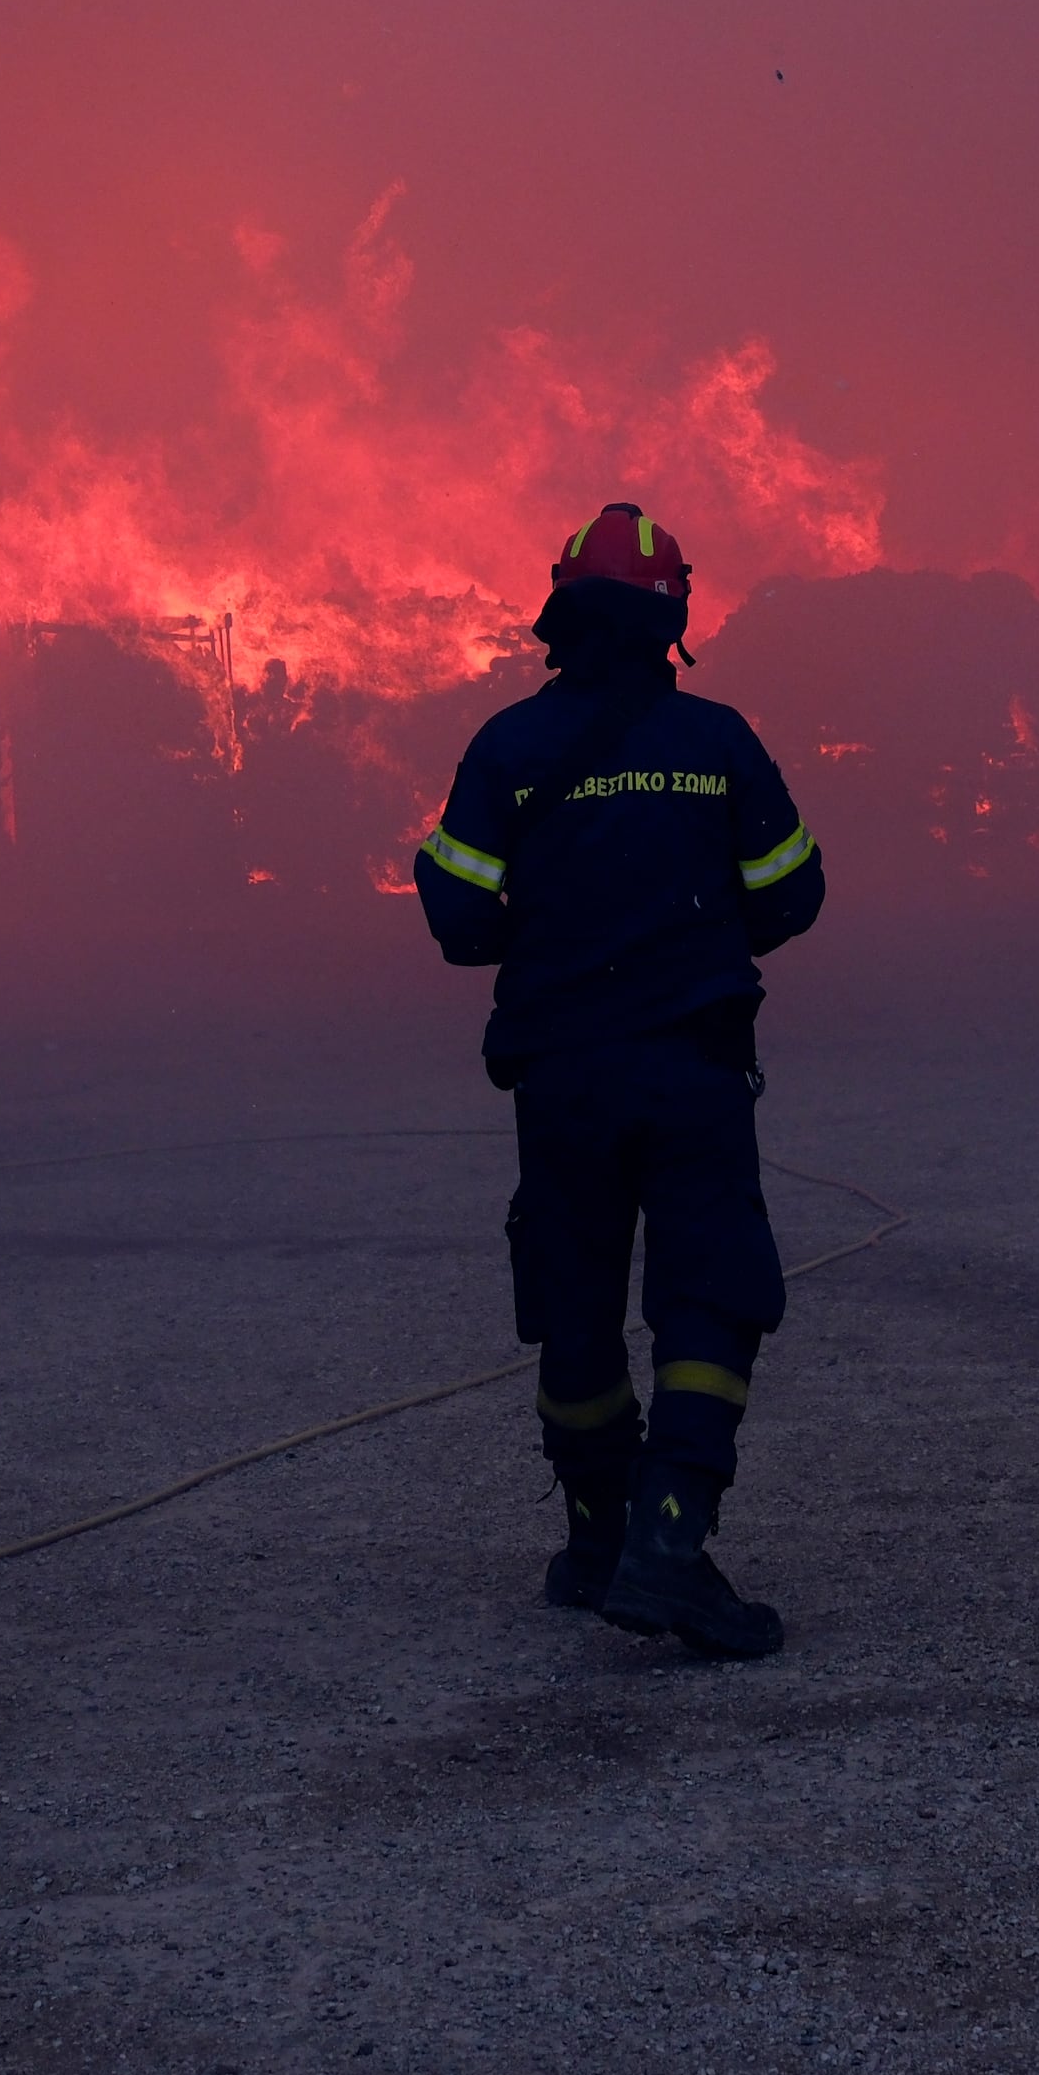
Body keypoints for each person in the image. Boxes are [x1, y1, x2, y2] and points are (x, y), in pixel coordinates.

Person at [413, 502, 828, 1659]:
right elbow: (793, 893)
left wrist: (550, 935)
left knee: (573, 1303)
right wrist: (685, 933)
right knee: (711, 1300)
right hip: (690, 1067)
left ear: (559, 609)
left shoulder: (509, 747)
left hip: (562, 1077)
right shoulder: (718, 741)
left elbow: (453, 914)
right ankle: (665, 1541)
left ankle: (596, 1536)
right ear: (673, 618)